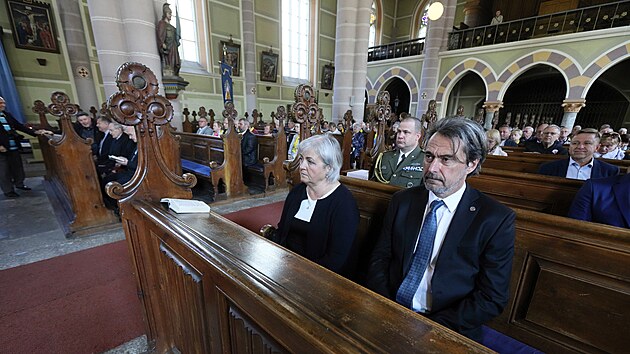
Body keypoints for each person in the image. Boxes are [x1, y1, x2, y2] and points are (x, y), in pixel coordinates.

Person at [367, 117, 515, 342]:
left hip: (448, 326)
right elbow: (380, 257)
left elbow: (491, 297)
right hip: (389, 309)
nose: (432, 168)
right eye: (429, 157)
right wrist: (388, 307)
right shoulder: (403, 201)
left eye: (446, 159)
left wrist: (430, 328)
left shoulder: (494, 219)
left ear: (472, 164)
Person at [273, 134, 360, 277]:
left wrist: (299, 275)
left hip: (319, 278)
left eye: (310, 162)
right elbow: (282, 232)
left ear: (329, 168)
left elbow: (336, 260)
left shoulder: (344, 205)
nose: (301, 166)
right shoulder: (297, 192)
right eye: (301, 159)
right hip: (286, 269)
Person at [0, 96, 46, 197]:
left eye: (3, 103)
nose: (3, 105)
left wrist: (35, 132)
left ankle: (19, 183)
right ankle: (8, 190)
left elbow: (19, 126)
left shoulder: (7, 115)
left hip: (13, 146)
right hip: (2, 149)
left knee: (17, 167)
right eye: (1, 103)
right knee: (4, 170)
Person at [538, 128, 619, 180]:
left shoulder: (610, 171)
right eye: (575, 143)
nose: (580, 147)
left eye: (587, 143)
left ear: (597, 148)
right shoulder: (548, 168)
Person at [371, 117, 425, 188]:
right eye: (399, 131)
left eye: (406, 132)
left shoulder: (424, 160)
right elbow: (372, 184)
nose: (400, 136)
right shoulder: (385, 157)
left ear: (417, 136)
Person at [156, 3, 181, 76]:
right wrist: (162, 44)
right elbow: (160, 35)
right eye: (169, 13)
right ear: (165, 14)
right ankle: (169, 72)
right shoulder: (162, 24)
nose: (170, 15)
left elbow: (175, 37)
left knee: (176, 63)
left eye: (171, 13)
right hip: (168, 47)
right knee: (169, 62)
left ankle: (174, 73)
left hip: (173, 46)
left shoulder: (172, 27)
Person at [237, 118, 259, 184]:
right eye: (239, 124)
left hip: (249, 159)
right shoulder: (238, 135)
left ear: (246, 125)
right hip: (242, 156)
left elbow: (248, 149)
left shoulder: (251, 136)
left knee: (237, 162)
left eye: (241, 124)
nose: (239, 125)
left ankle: (243, 183)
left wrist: (237, 154)